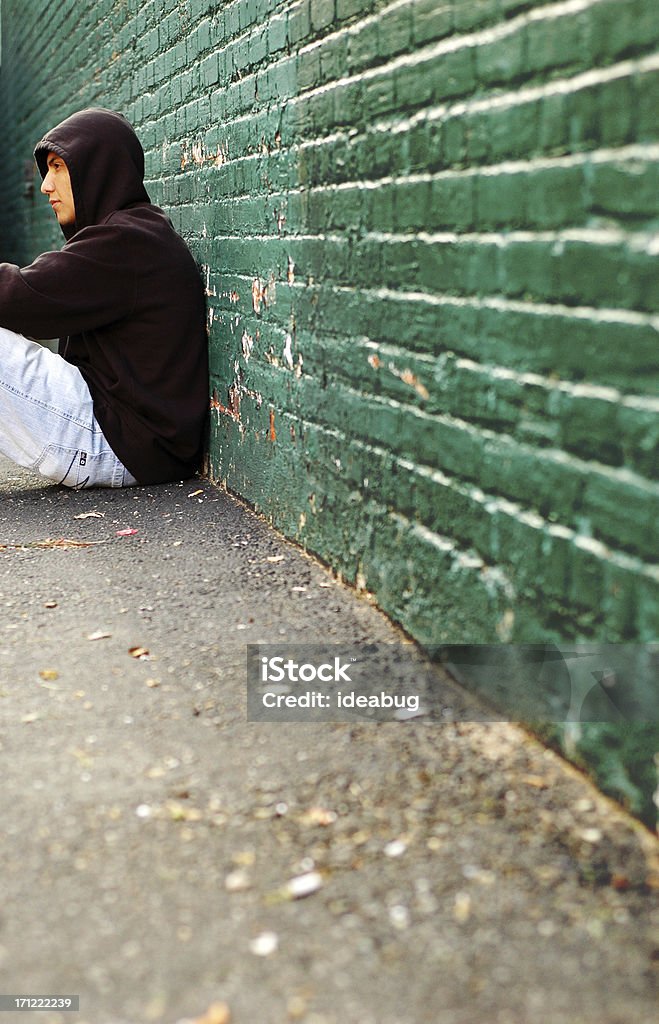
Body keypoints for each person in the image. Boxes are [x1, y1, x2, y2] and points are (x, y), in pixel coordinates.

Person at [0, 108, 208, 488]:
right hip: (129, 438)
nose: (46, 185)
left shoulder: (129, 241)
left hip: (125, 444)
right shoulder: (134, 233)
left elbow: (20, 297)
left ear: (96, 168)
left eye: (58, 167)